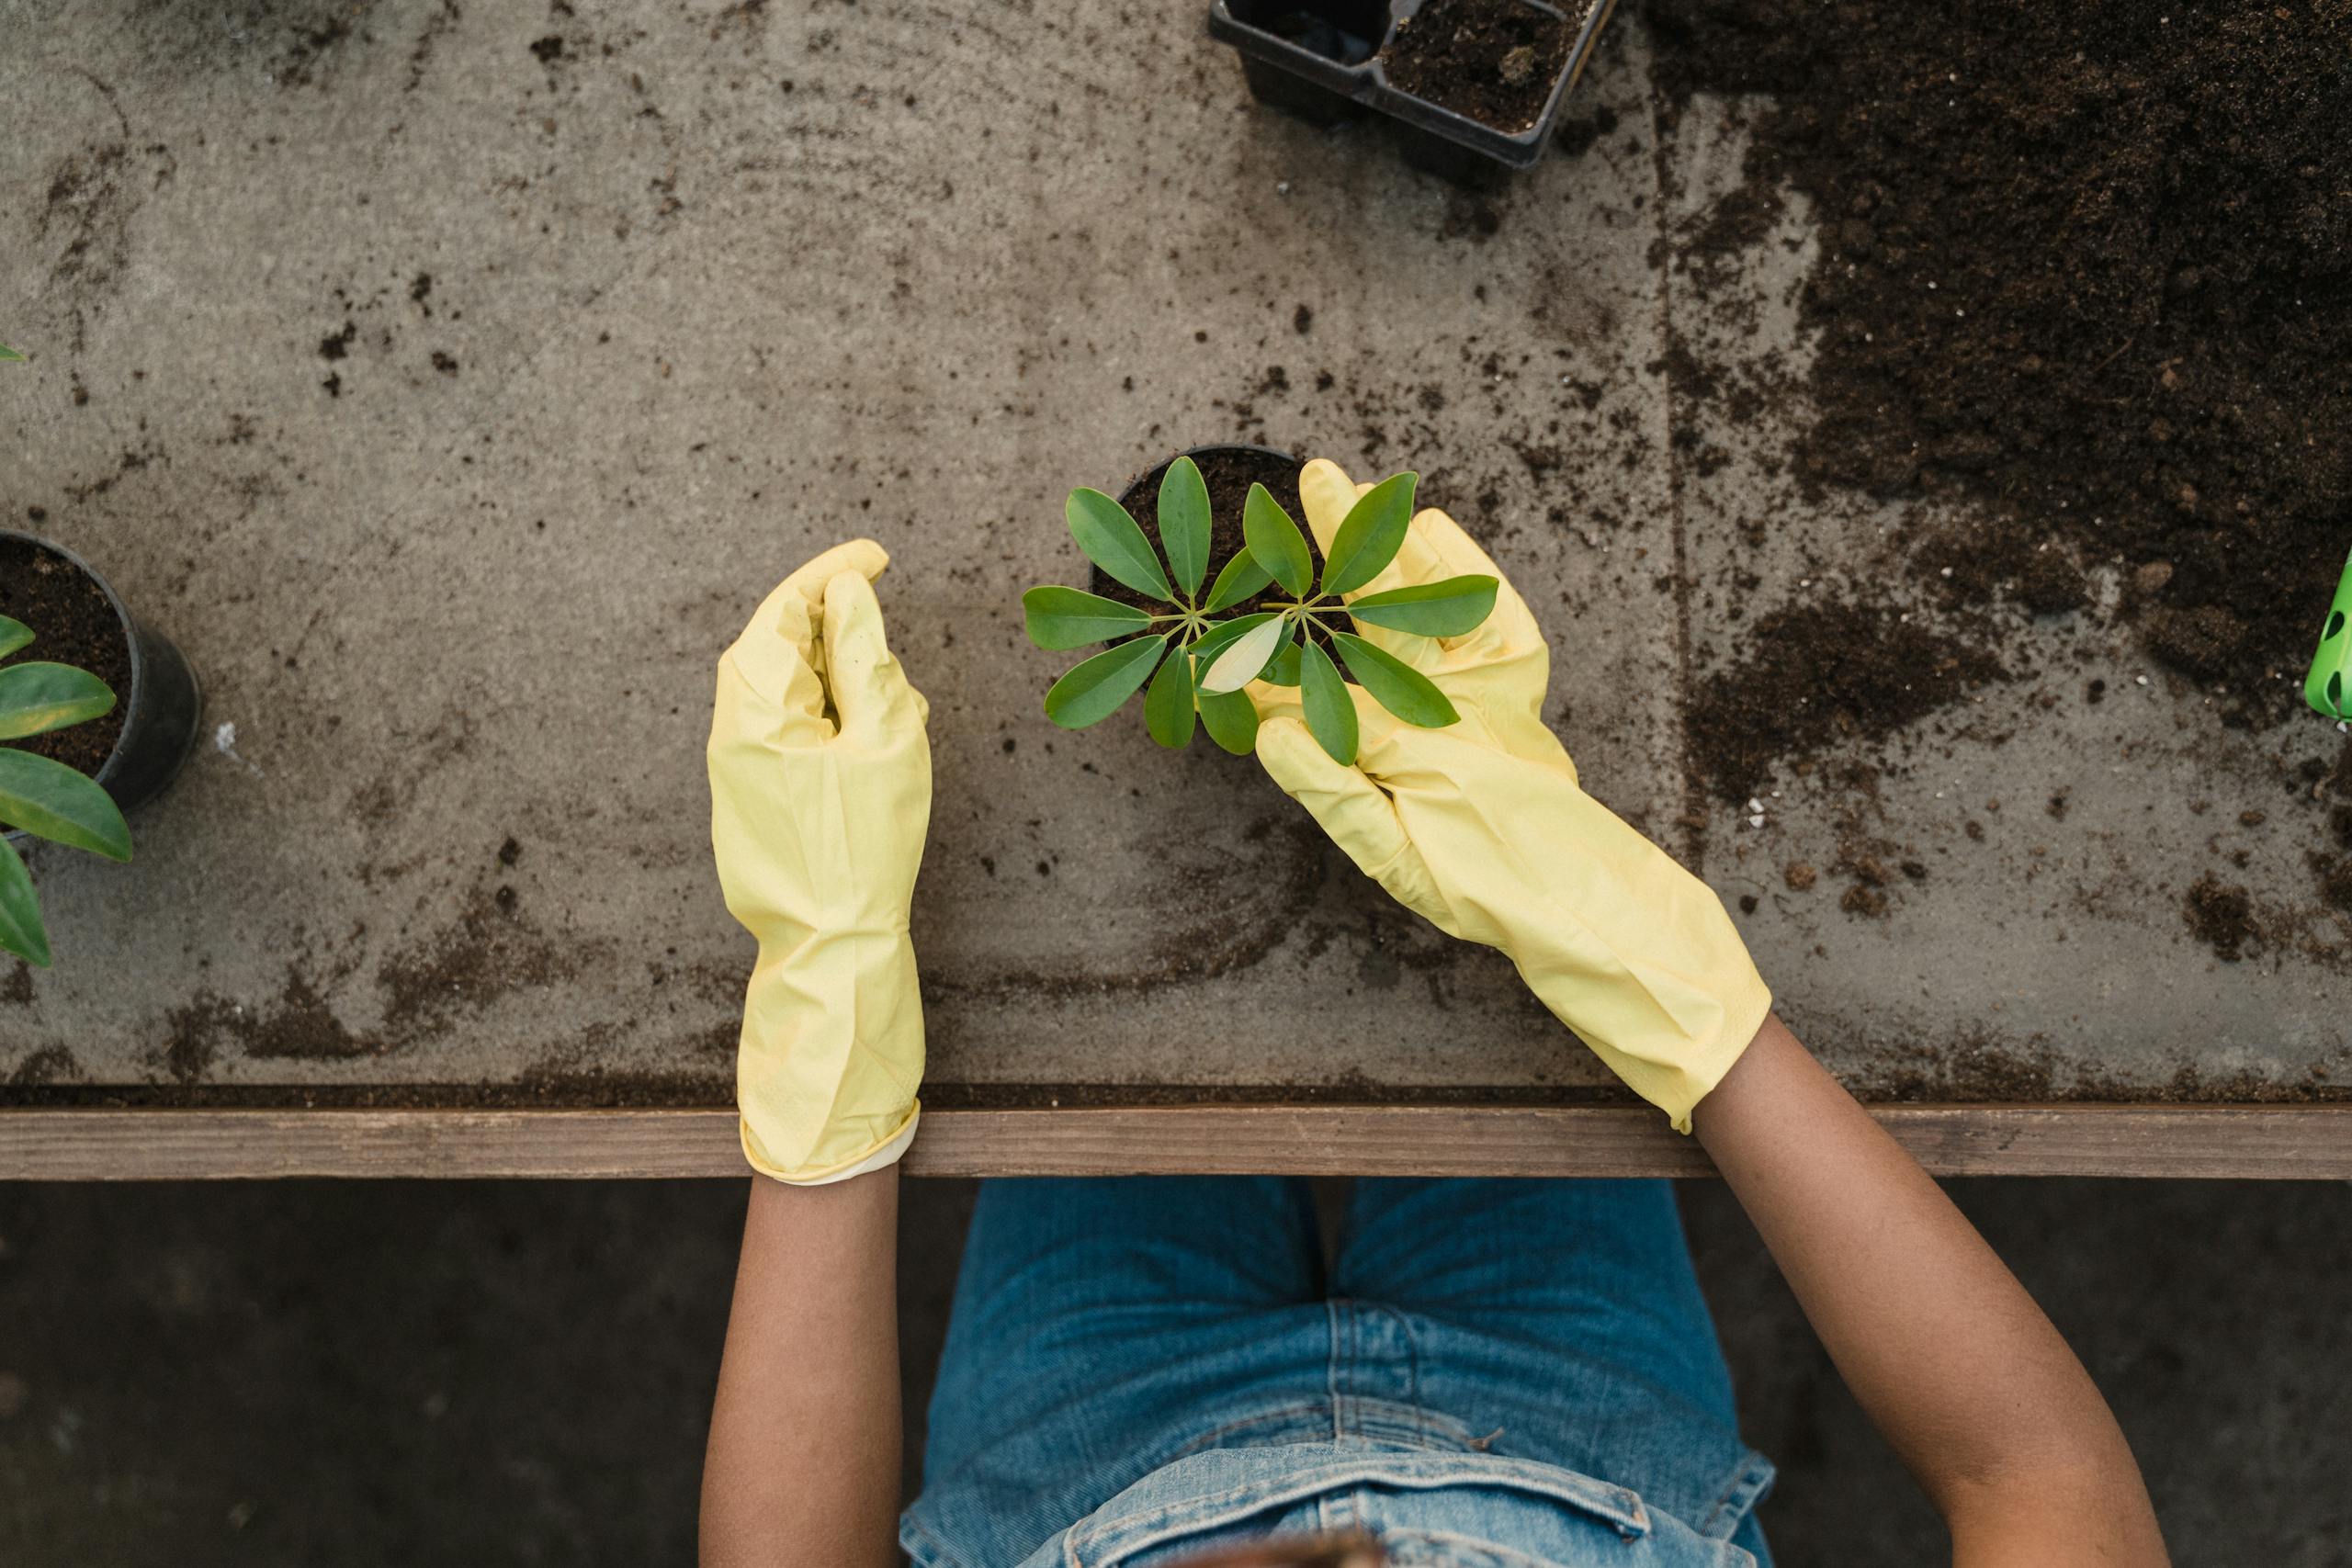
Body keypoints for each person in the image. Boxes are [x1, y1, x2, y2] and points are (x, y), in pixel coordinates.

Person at [696, 461, 2169, 1568]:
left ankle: (1221, 652)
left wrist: (828, 1028)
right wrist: (1671, 992)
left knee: (1111, 1029)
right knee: (1489, 1007)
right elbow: (2041, 1485)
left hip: (1085, 1446)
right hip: (1573, 1409)